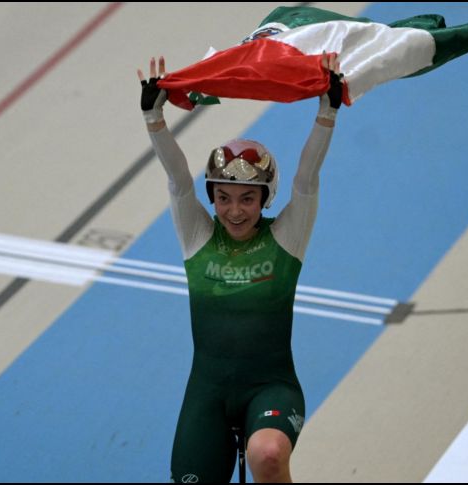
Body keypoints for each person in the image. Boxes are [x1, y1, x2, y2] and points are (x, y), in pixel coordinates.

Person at [137, 52, 343, 483]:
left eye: (248, 198)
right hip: (207, 394)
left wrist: (327, 110)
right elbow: (177, 180)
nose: (234, 211)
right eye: (224, 197)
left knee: (266, 455)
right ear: (212, 198)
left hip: (270, 388)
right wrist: (154, 119)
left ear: (266, 198)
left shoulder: (286, 238)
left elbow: (307, 180)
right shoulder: (197, 236)